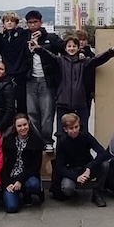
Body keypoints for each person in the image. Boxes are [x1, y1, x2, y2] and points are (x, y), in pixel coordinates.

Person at [31, 36, 114, 133]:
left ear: (78, 48)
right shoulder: (60, 61)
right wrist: (38, 48)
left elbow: (98, 59)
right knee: (61, 132)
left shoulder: (84, 62)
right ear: (65, 48)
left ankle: (83, 148)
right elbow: (48, 56)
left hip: (80, 103)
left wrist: (111, 51)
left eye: (74, 46)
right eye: (69, 46)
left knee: (83, 131)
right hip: (62, 103)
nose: (71, 48)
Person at [24, 10, 64, 151]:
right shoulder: (25, 38)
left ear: (40, 22)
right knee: (32, 113)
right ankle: (36, 140)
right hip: (31, 80)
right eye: (30, 22)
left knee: (47, 112)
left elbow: (67, 48)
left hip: (47, 80)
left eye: (36, 22)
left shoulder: (51, 38)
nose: (33, 25)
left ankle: (47, 141)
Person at [51, 113, 111, 207]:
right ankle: (73, 193)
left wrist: (89, 168)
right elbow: (60, 166)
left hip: (87, 167)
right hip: (72, 170)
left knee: (105, 164)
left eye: (76, 127)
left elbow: (103, 153)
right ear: (65, 129)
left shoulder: (85, 135)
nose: (75, 130)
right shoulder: (62, 142)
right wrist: (76, 177)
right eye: (71, 128)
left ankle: (97, 193)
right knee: (67, 188)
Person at [0, 114, 44, 213]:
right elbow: (2, 165)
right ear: (15, 126)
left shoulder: (36, 141)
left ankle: (26, 194)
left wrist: (20, 180)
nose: (23, 128)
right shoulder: (7, 142)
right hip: (10, 177)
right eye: (19, 126)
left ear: (29, 123)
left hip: (27, 176)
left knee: (33, 185)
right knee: (11, 208)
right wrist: (7, 183)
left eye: (25, 124)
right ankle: (11, 195)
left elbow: (35, 166)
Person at [0, 12, 32, 115]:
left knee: (21, 102)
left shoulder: (22, 34)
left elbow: (35, 30)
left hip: (20, 73)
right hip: (7, 74)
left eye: (12, 21)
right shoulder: (2, 37)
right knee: (8, 103)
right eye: (7, 21)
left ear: (16, 23)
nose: (9, 23)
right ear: (3, 23)